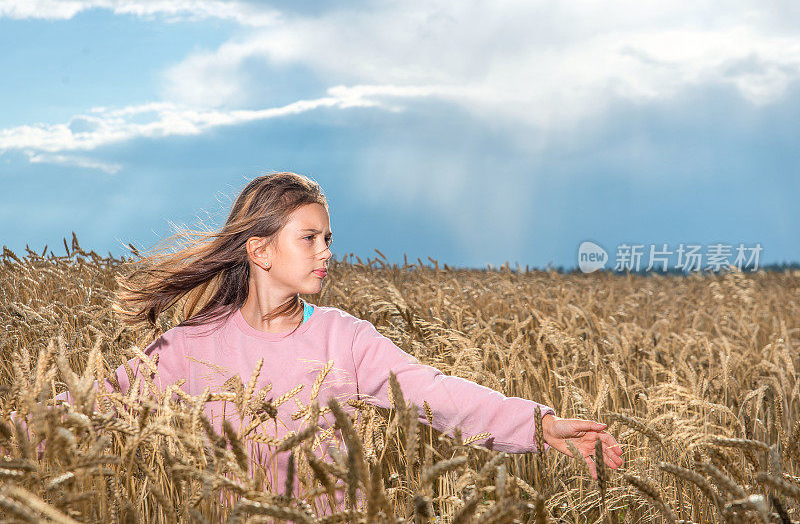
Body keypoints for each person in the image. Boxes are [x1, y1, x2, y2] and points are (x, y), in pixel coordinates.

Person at [48, 172, 623, 510]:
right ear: (261, 250)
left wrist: (537, 425)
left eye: (328, 237)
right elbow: (88, 408)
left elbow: (434, 393)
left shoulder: (344, 338)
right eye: (309, 238)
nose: (326, 251)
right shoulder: (186, 347)